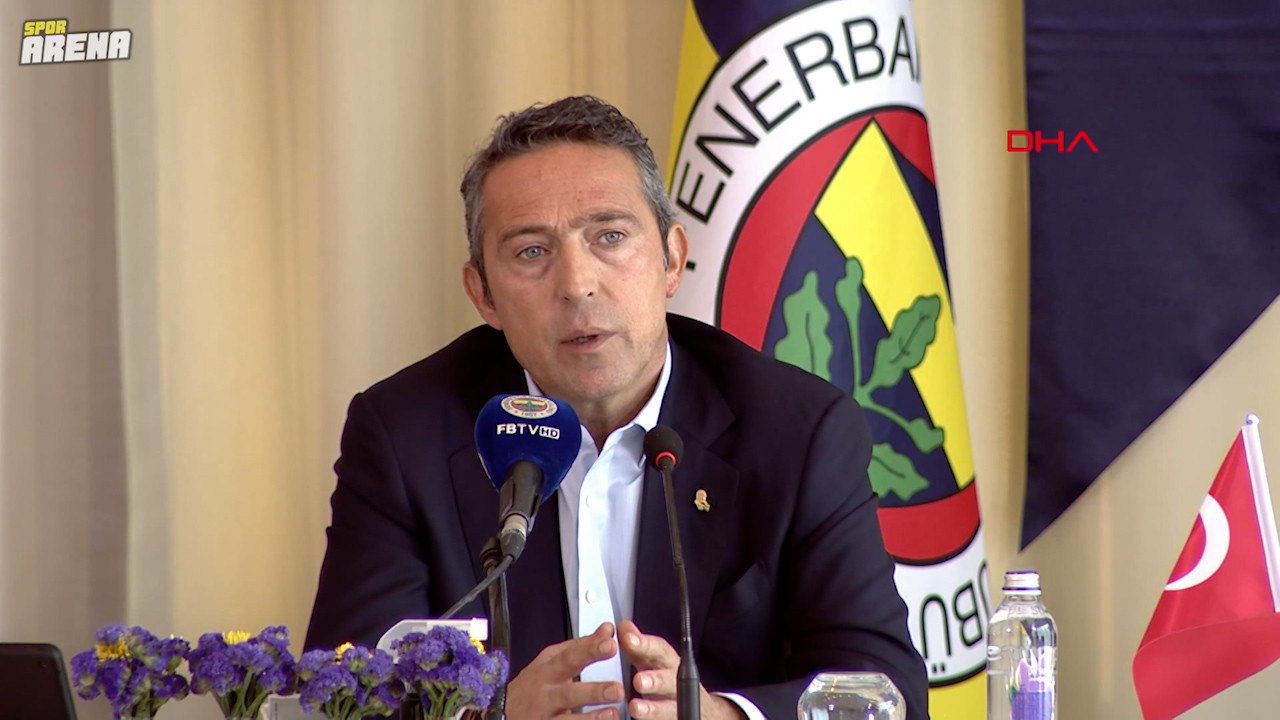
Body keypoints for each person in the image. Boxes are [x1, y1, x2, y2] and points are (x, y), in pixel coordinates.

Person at [304, 95, 929, 720]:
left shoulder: (798, 432)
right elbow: (338, 699)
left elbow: (884, 691)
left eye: (609, 236)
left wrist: (725, 717)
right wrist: (490, 716)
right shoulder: (404, 437)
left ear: (672, 260)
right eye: (531, 251)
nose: (577, 283)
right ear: (484, 295)